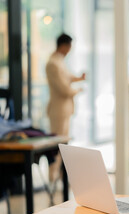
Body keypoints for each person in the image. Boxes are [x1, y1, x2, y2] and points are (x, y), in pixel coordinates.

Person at [46, 33, 85, 183]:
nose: (70, 50)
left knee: (63, 145)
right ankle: (53, 178)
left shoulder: (59, 61)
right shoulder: (53, 63)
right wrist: (78, 90)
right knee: (57, 146)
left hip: (65, 109)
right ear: (64, 46)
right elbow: (63, 88)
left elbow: (67, 77)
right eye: (69, 47)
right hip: (58, 110)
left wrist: (78, 79)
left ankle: (60, 177)